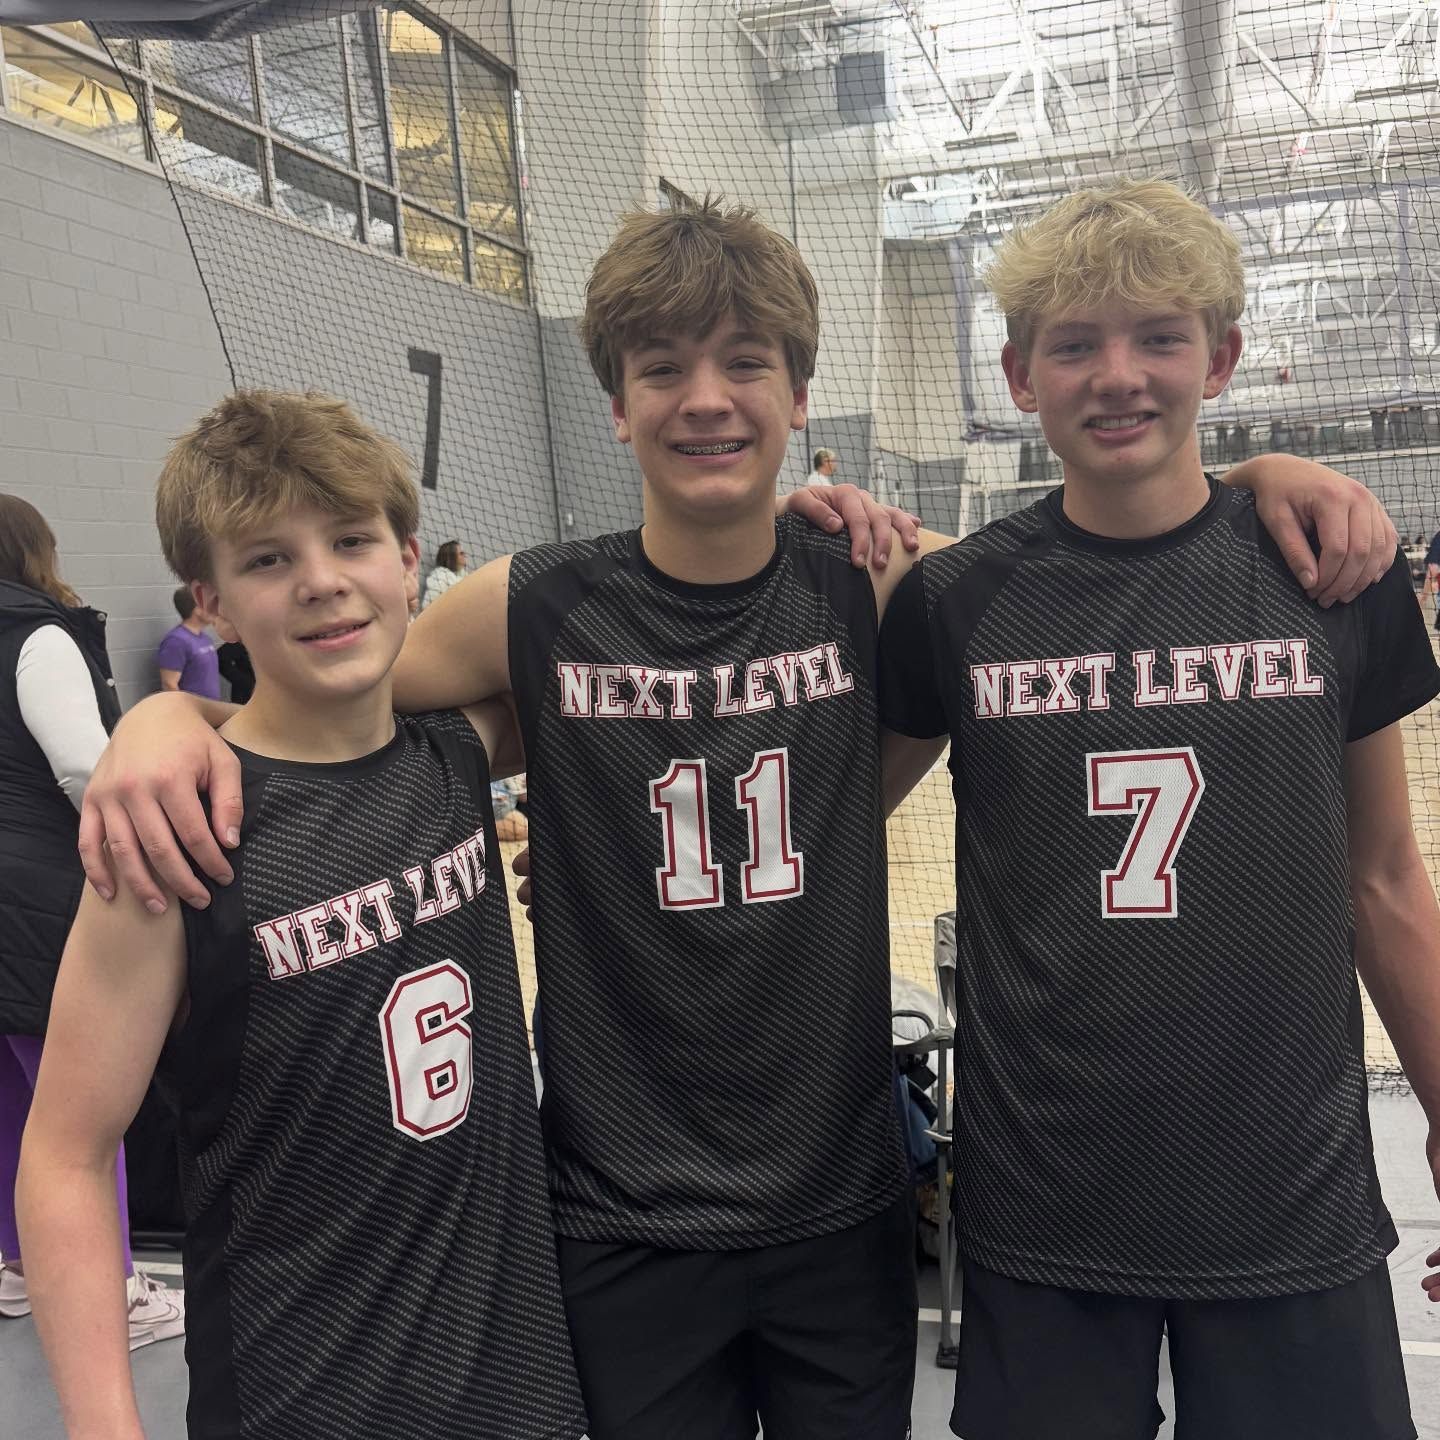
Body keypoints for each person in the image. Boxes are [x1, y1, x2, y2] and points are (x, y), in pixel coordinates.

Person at [76, 199, 1400, 1440]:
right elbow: (328, 699)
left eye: (744, 365)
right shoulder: (529, 610)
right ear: (615, 403)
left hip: (841, 1201)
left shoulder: (885, 587)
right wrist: (163, 724)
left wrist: (1262, 475)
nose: (705, 399)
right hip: (619, 1213)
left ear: (799, 396)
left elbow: (1106, 544)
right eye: (661, 368)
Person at [877, 179, 1440, 1439]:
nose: (1116, 375)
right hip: (1046, 1213)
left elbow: (1389, 880)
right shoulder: (954, 604)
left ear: (1221, 358)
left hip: (1290, 1200)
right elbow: (828, 824)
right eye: (1074, 345)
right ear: (1021, 377)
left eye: (1158, 339)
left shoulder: (1329, 577)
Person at [16, 392, 586, 1440]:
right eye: (268, 559)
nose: (322, 580)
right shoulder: (180, 835)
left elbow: (618, 606)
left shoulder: (460, 753)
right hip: (302, 1390)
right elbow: (62, 1156)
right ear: (213, 603)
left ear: (409, 561)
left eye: (352, 540)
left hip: (517, 1382)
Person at [0, 494, 184, 1350]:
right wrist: (140, 850)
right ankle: (108, 1284)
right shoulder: (40, 635)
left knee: (10, 1095)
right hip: (35, 902)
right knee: (80, 1106)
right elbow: (83, 762)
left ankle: (20, 1263)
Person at [157, 584, 221, 698]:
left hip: (210, 710)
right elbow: (169, 684)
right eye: (209, 605)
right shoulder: (176, 641)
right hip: (192, 712)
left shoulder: (205, 638)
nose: (215, 609)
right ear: (197, 609)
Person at [421, 538, 467, 609]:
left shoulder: (464, 576)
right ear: (451, 557)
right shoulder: (439, 577)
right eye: (461, 553)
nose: (465, 555)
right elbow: (427, 606)